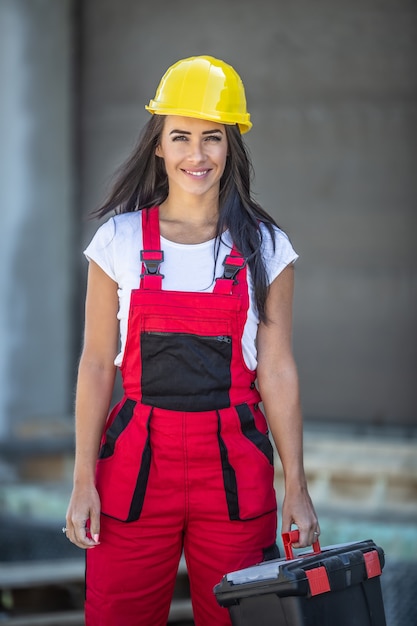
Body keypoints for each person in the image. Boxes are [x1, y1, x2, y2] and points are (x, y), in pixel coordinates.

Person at [65, 55, 319, 626]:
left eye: (213, 138)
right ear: (158, 145)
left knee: (243, 620)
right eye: (180, 137)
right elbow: (96, 365)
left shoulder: (267, 247)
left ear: (231, 147)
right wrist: (83, 482)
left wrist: (295, 487)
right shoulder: (118, 241)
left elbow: (277, 371)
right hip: (132, 470)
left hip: (234, 472)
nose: (196, 155)